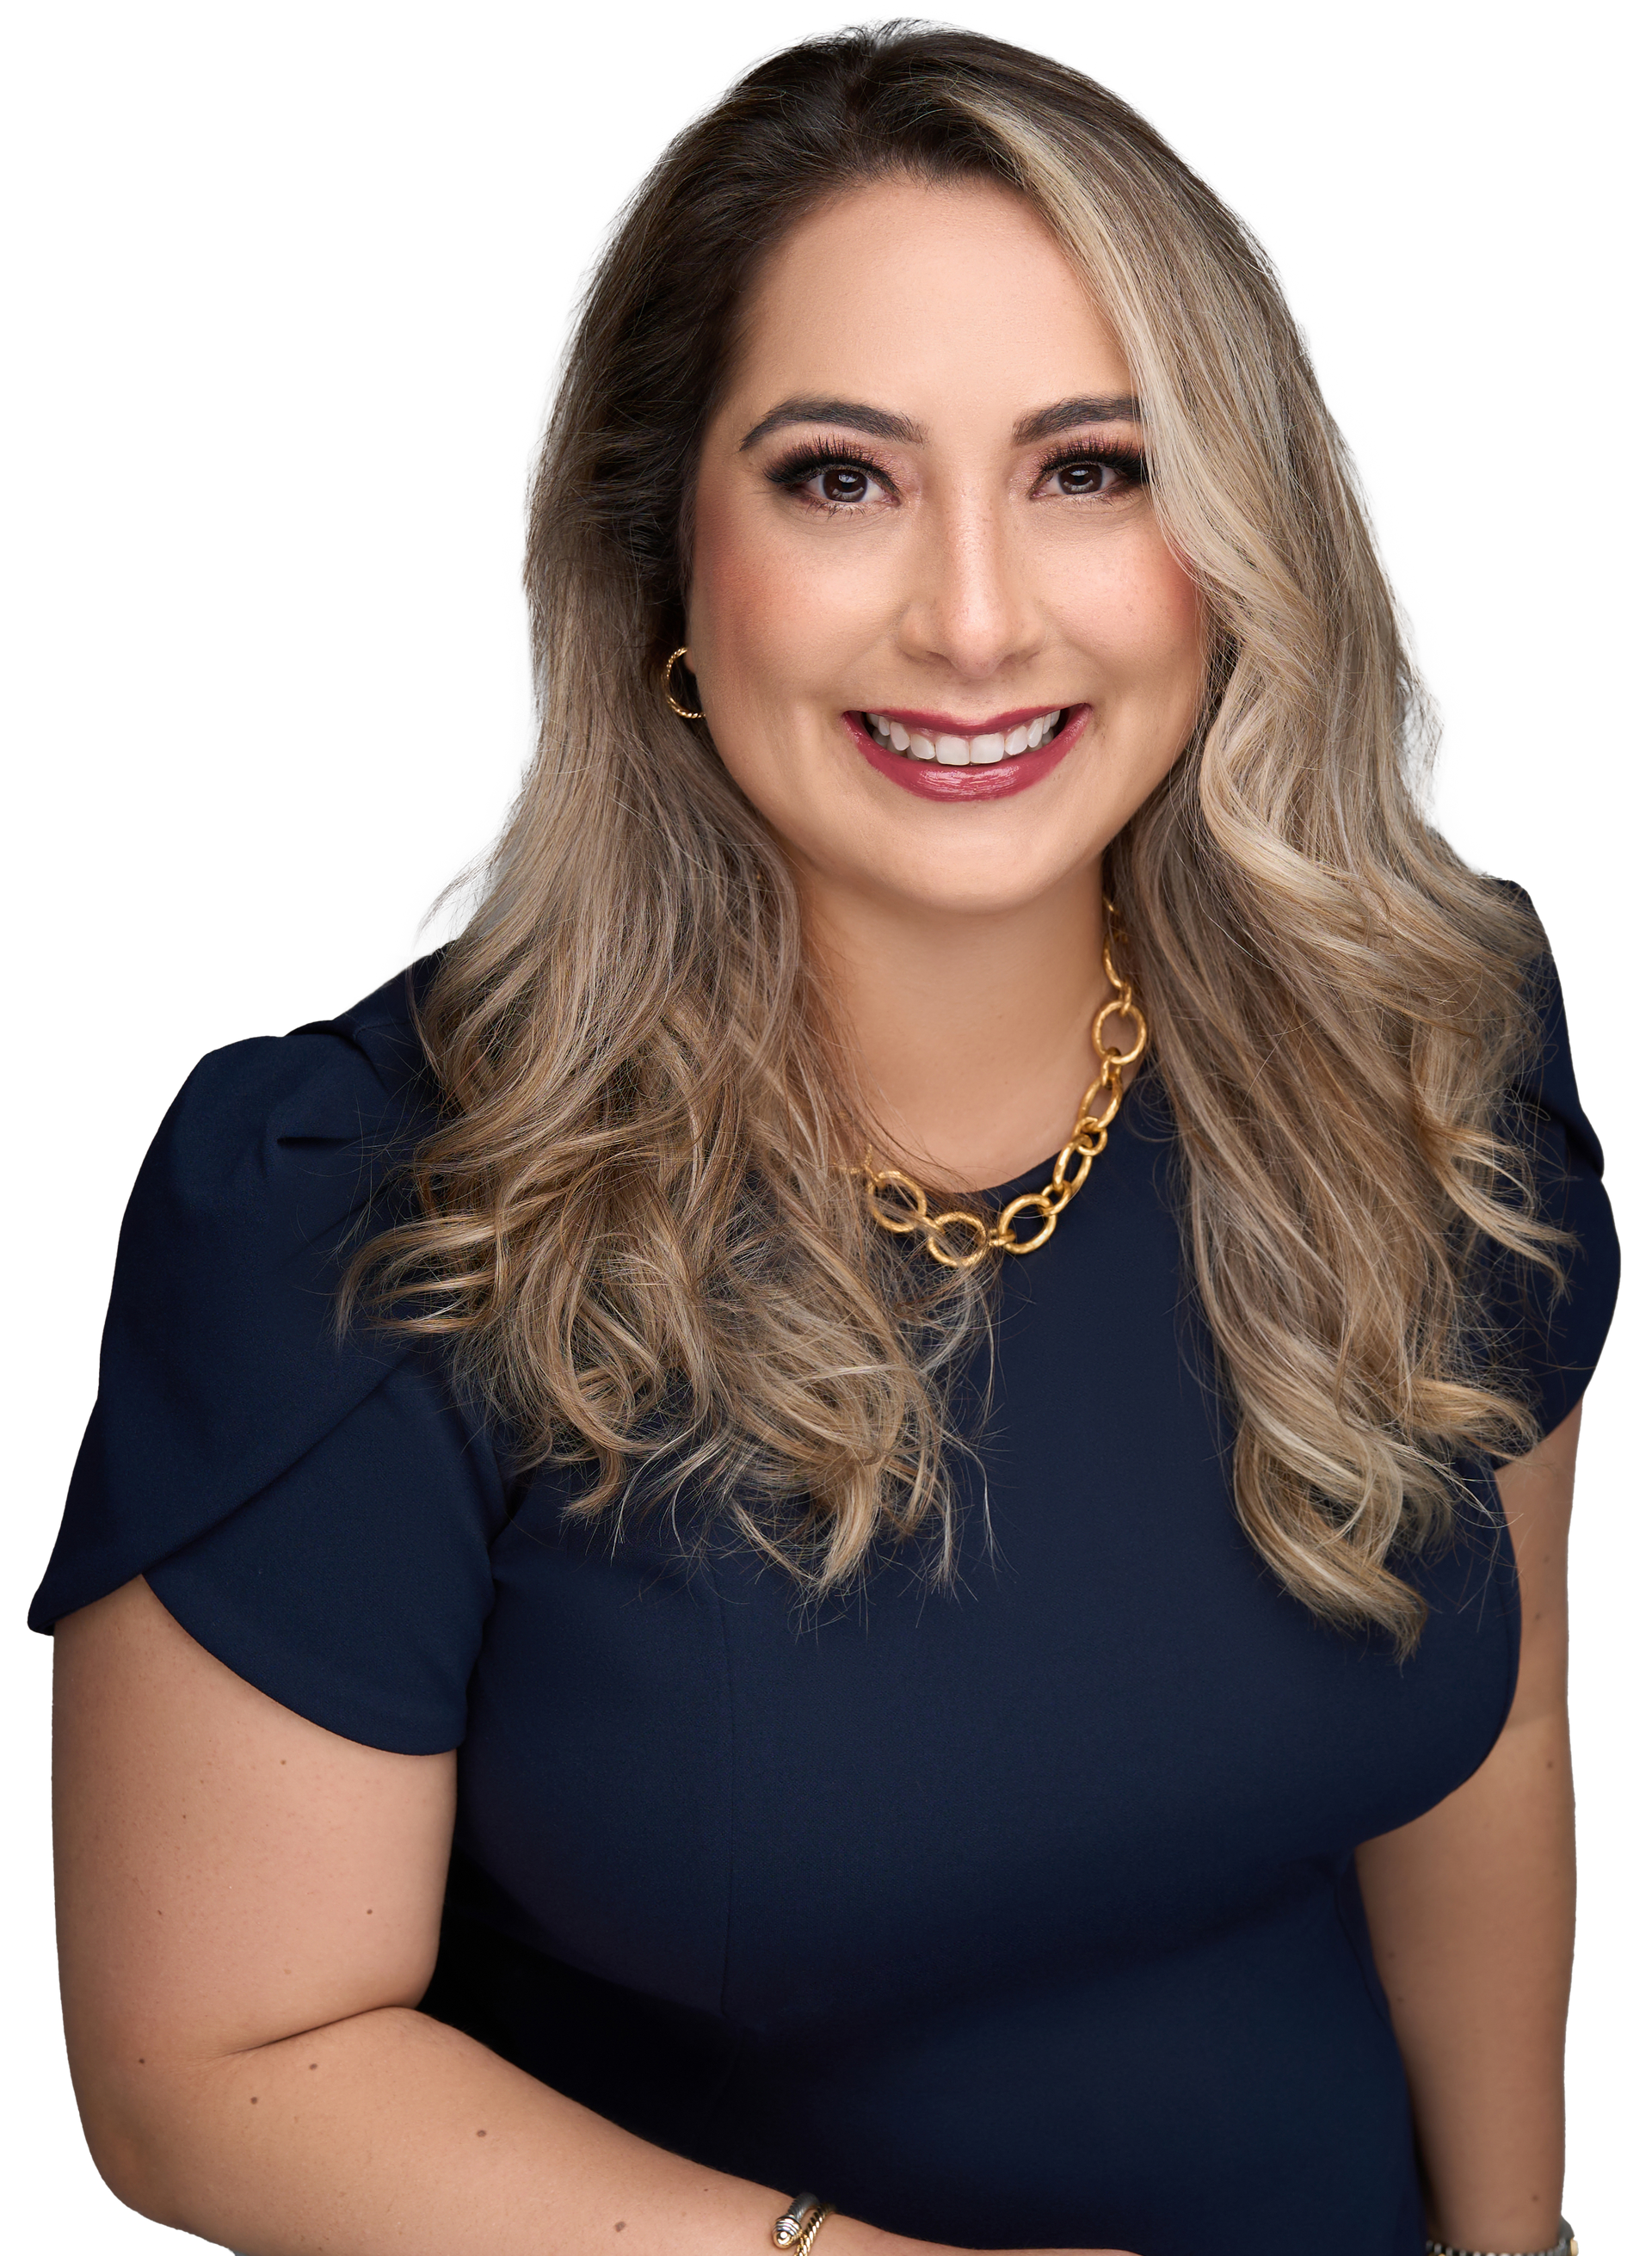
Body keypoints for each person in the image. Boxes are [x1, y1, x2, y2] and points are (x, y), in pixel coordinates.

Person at [33, 22, 1616, 2256]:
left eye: (1091, 467)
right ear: (662, 556)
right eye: (839, 477)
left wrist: (1514, 2232)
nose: (976, 618)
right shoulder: (351, 1209)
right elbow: (219, 2069)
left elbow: (1491, 1726)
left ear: (1236, 549)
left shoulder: (1424, 1057)